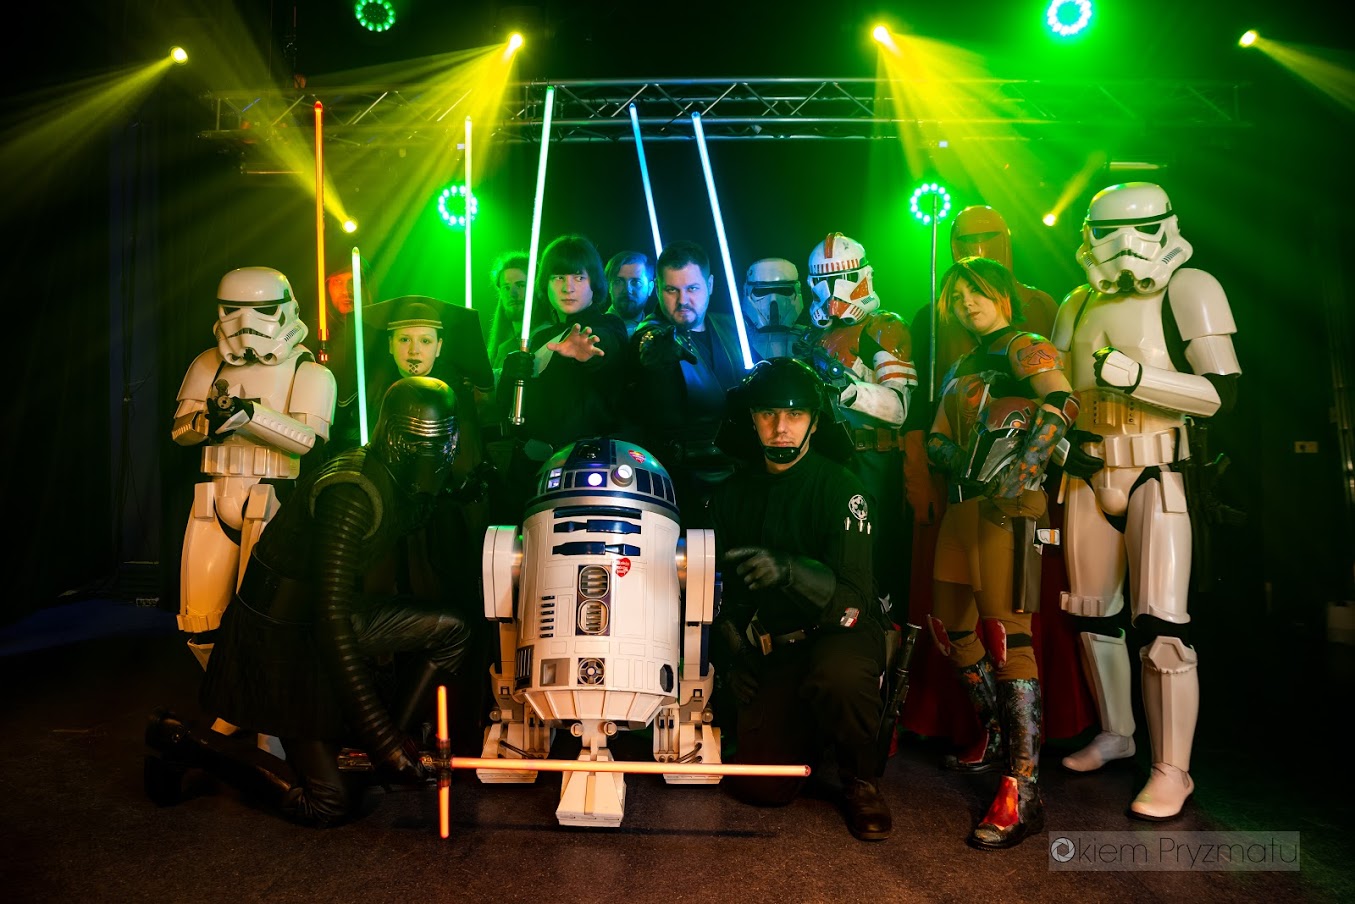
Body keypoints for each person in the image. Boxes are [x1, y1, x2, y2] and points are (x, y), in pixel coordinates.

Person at [147, 377, 476, 827]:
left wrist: (386, 743)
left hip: (323, 615)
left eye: (444, 439)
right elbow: (330, 621)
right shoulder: (352, 493)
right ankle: (182, 742)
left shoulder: (394, 479)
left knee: (452, 630)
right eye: (425, 440)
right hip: (283, 636)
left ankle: (384, 748)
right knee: (327, 803)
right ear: (395, 438)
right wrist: (381, 740)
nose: (438, 452)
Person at [1051, 182, 1241, 821]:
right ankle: (1117, 733)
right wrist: (1061, 445)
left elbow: (1221, 394)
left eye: (1136, 230)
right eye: (1105, 232)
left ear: (1167, 226)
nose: (1122, 246)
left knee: (1163, 623)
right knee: (1091, 615)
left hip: (1159, 472)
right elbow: (1059, 392)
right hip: (1088, 474)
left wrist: (1139, 378)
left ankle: (1172, 768)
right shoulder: (1076, 302)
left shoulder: (1190, 288)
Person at [924, 256, 1076, 849]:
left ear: (1003, 295)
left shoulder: (1025, 347)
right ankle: (994, 734)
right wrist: (953, 455)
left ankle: (1024, 786)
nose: (967, 303)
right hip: (963, 506)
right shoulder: (962, 364)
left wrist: (1027, 464)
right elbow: (939, 434)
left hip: (1008, 508)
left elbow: (1062, 401)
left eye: (977, 292)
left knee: (1009, 638)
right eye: (958, 295)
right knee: (951, 628)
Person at [708, 358, 892, 842]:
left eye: (795, 414)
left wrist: (791, 570)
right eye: (768, 413)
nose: (781, 427)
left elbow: (855, 600)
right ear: (751, 418)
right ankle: (809, 731)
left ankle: (861, 780)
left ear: (814, 421)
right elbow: (723, 591)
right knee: (761, 789)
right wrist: (731, 651)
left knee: (840, 676)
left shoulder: (842, 489)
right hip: (776, 645)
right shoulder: (731, 495)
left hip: (840, 635)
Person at [171, 266, 337, 674]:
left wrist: (251, 415)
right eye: (233, 310)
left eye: (261, 310)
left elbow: (307, 440)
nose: (246, 324)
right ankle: (224, 695)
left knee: (262, 619)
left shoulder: (309, 371)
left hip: (272, 496)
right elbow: (180, 431)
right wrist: (206, 423)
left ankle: (262, 708)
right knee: (200, 619)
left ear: (286, 309)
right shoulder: (207, 364)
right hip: (214, 497)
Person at [800, 232, 916, 614]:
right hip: (827, 457)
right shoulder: (816, 335)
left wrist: (848, 389)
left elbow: (899, 408)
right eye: (823, 281)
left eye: (840, 279)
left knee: (874, 557)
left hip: (872, 458)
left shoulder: (882, 327)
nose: (832, 291)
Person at [497, 234, 628, 520]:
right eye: (558, 277)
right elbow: (509, 415)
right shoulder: (538, 338)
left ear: (594, 283)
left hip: (586, 475)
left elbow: (608, 346)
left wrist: (589, 351)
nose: (568, 287)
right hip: (532, 472)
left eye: (578, 277)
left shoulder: (610, 326)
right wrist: (510, 376)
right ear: (545, 284)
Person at [627, 239, 755, 526]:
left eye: (692, 288)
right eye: (671, 290)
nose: (682, 300)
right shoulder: (653, 334)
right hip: (676, 488)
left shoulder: (730, 327)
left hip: (738, 481)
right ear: (657, 289)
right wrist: (650, 349)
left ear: (710, 284)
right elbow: (645, 345)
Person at [740, 257, 806, 360]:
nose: (773, 300)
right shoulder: (739, 337)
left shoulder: (806, 339)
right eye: (762, 291)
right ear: (747, 292)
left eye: (783, 291)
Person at [485, 250, 530, 375]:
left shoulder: (546, 338)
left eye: (520, 285)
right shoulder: (501, 346)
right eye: (506, 287)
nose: (512, 294)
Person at [605, 249, 656, 337]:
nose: (627, 289)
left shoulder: (659, 333)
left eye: (636, 282)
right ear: (609, 286)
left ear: (650, 288)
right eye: (618, 281)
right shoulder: (591, 331)